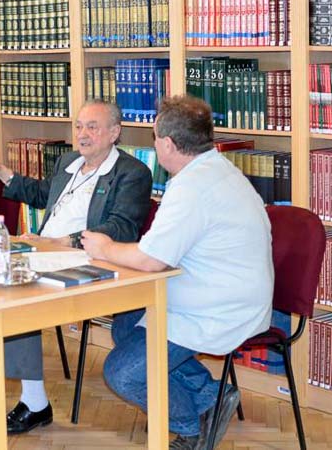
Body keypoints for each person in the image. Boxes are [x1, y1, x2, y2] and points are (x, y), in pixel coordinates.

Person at [0, 100, 153, 434]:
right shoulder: (69, 162)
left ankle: (35, 402)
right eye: (78, 126)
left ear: (115, 132)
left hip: (90, 260)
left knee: (19, 293)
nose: (82, 134)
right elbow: (41, 193)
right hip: (45, 252)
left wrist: (63, 241)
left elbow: (121, 227)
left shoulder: (132, 173)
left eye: (92, 127)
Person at [81, 96, 274, 450]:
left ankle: (190, 426)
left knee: (121, 374)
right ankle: (210, 397)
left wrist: (104, 248)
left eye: (155, 138)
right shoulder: (216, 169)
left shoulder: (191, 187)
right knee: (126, 325)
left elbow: (152, 259)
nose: (154, 146)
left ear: (168, 144)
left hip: (220, 308)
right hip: (215, 293)